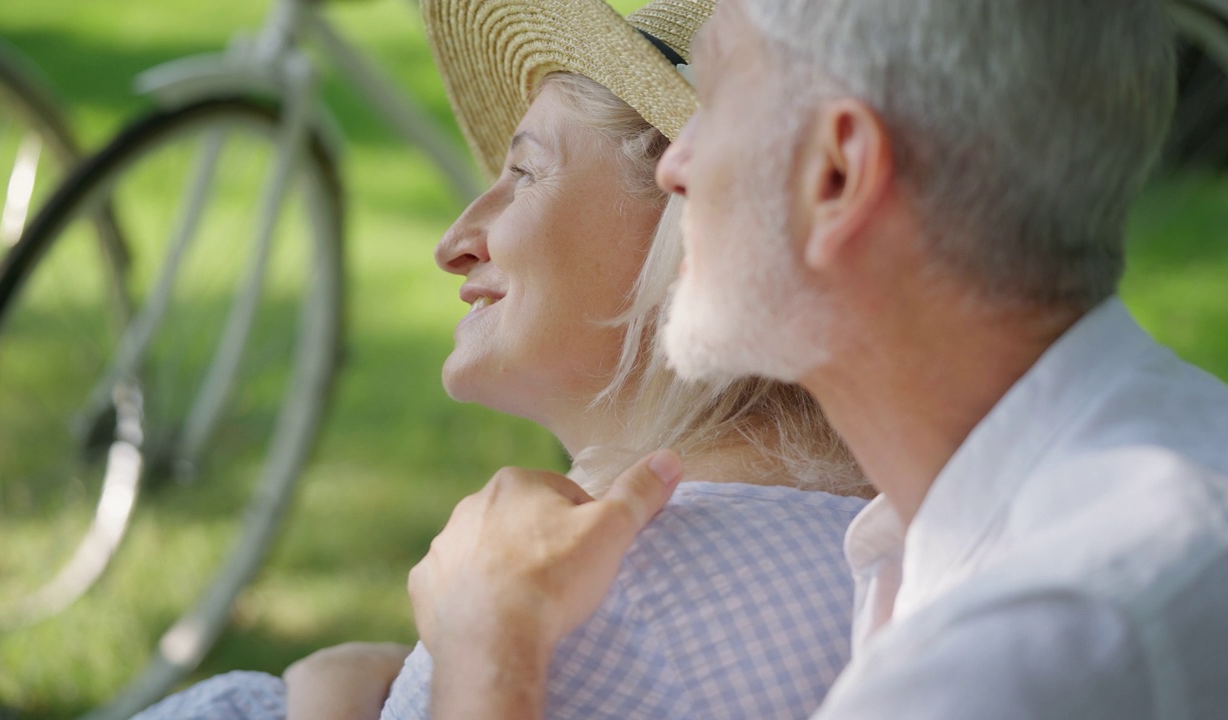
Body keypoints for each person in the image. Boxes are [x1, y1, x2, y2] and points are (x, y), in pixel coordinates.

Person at [408, 0, 1228, 718]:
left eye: (715, 101)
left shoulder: (1015, 659)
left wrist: (488, 642)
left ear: (836, 173)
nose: (675, 166)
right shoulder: (1154, 468)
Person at [130, 1, 874, 718]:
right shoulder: (866, 550)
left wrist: (329, 699)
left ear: (687, 217)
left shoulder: (584, 608)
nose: (453, 242)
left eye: (524, 174)